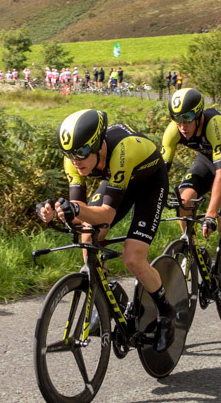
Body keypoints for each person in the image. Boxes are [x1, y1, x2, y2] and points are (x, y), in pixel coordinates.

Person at [37, 110, 179, 351]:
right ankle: (108, 294)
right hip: (119, 181)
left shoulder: (122, 151)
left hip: (150, 184)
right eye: (69, 154)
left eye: (81, 152)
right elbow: (80, 214)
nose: (75, 160)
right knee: (88, 238)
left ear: (98, 146)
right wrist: (55, 211)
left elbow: (106, 214)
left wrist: (75, 210)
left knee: (132, 257)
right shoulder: (73, 161)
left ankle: (166, 312)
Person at [161, 87, 221, 286]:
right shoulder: (173, 130)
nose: (182, 125)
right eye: (177, 119)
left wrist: (210, 214)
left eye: (187, 117)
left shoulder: (213, 125)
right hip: (205, 162)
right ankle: (190, 247)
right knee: (183, 201)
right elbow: (160, 172)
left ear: (199, 113)